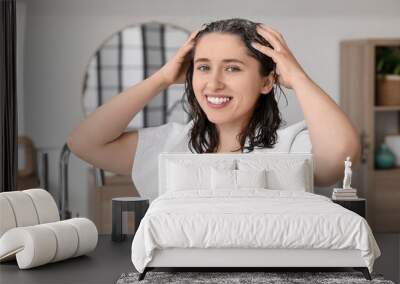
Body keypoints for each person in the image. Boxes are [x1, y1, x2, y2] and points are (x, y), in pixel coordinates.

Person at [67, 18, 360, 201]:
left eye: (232, 68)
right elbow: (83, 143)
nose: (213, 83)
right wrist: (162, 78)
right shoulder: (168, 145)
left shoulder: (291, 145)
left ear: (267, 81)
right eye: (203, 67)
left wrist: (298, 78)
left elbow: (341, 156)